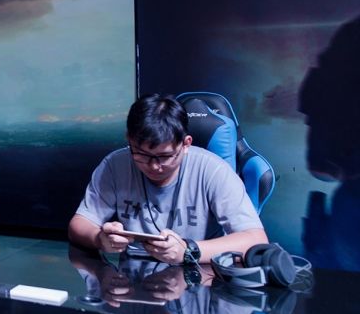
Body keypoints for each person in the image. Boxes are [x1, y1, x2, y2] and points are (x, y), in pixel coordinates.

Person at [68, 93, 267, 265]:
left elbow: (255, 240)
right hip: (134, 276)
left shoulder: (213, 170)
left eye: (164, 156)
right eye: (141, 154)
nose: (154, 166)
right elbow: (79, 224)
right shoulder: (114, 165)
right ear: (129, 140)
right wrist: (99, 238)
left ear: (186, 144)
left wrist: (188, 250)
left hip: (197, 274)